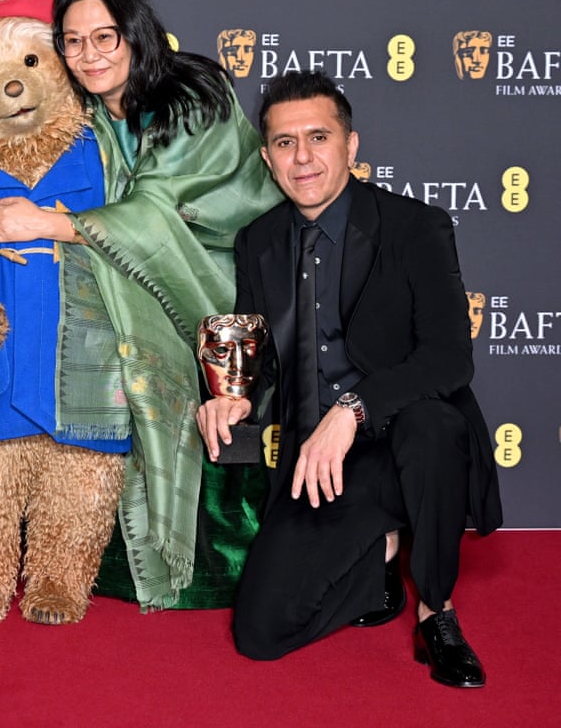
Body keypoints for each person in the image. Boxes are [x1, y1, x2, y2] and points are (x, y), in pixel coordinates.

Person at [0, 0, 282, 609]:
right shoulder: (65, 125)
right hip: (37, 330)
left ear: (134, 35)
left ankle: (88, 570)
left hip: (146, 316)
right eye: (74, 42)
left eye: (105, 37)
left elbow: (157, 214)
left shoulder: (164, 113)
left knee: (88, 460)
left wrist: (49, 223)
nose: (89, 56)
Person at [196, 70, 501, 688]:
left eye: (318, 137)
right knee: (259, 635)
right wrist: (228, 398)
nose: (302, 156)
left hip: (401, 440)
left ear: (351, 146)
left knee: (433, 426)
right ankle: (379, 560)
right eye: (285, 143)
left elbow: (448, 360)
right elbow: (257, 353)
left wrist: (353, 409)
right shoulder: (259, 242)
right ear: (267, 156)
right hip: (321, 464)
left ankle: (436, 612)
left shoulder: (416, 227)